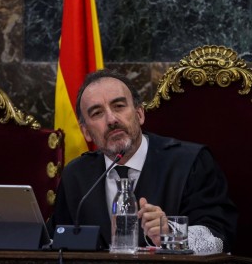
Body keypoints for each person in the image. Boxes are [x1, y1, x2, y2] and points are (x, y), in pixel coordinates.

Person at [49, 70, 237, 253]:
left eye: (119, 106)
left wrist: (171, 233)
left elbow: (219, 237)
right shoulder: (76, 176)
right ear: (86, 132)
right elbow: (56, 243)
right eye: (97, 113)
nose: (111, 119)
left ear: (139, 114)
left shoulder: (190, 162)